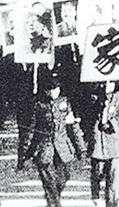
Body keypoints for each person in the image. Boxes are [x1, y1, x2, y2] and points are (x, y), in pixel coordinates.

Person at [21, 73, 86, 207]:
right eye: (50, 89)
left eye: (56, 89)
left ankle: (53, 201)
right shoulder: (38, 104)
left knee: (63, 178)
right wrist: (24, 155)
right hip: (44, 150)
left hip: (62, 149)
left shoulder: (64, 102)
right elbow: (30, 132)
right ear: (45, 90)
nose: (53, 92)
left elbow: (73, 127)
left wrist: (81, 148)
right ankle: (54, 204)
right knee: (49, 182)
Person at [85, 81, 119, 207]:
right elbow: (88, 115)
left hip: (113, 140)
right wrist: (101, 103)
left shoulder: (118, 97)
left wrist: (112, 123)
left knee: (113, 175)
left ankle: (112, 203)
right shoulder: (94, 96)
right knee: (97, 171)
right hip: (98, 139)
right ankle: (95, 194)